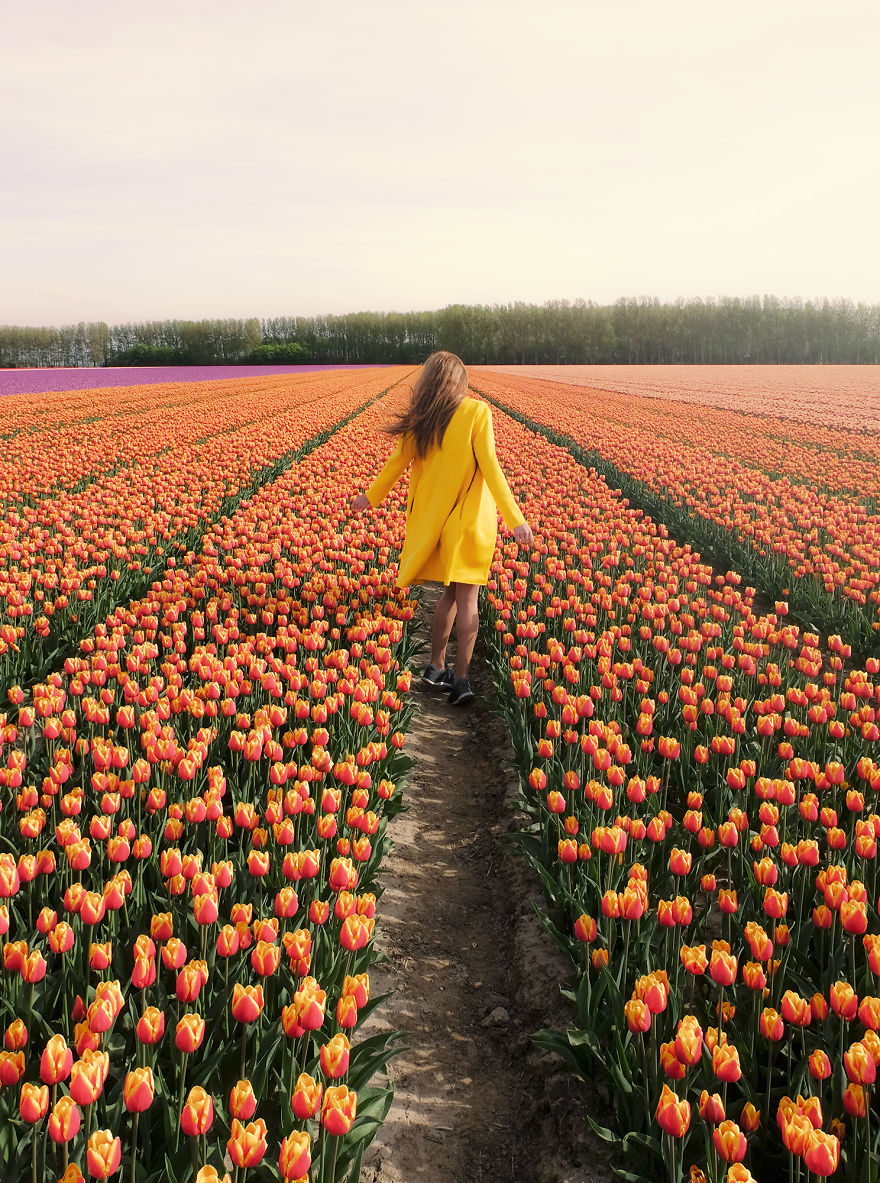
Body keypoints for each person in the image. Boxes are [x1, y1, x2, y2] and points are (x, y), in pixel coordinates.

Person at [351, 351, 534, 706]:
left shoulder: (423, 420)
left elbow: (395, 465)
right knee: (468, 600)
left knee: (450, 595)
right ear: (459, 382)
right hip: (470, 525)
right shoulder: (477, 413)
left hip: (437, 525)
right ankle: (462, 680)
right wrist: (516, 519)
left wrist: (369, 498)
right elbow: (492, 468)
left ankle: (435, 666)